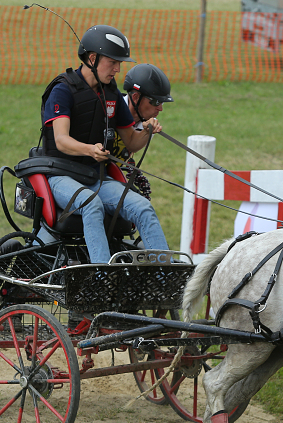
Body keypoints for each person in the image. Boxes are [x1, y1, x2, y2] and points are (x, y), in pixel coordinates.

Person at [40, 25, 169, 263]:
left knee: (142, 207)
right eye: (113, 62)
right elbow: (61, 141)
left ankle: (164, 276)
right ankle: (103, 275)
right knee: (92, 205)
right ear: (92, 59)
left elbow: (130, 140)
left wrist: (148, 130)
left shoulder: (111, 93)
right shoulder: (62, 90)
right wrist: (89, 149)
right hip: (60, 176)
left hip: (95, 177)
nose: (118, 70)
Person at [108, 63, 175, 201]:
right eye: (156, 102)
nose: (160, 108)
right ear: (136, 97)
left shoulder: (148, 126)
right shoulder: (108, 109)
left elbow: (126, 155)